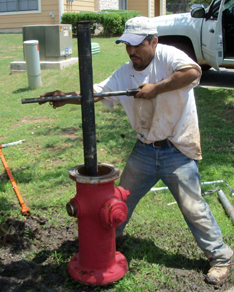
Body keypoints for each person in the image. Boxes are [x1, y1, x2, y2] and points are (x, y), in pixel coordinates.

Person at [40, 16, 233, 285]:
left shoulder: (168, 56)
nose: (131, 51)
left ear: (153, 42)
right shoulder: (124, 72)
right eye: (127, 45)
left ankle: (221, 257)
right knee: (120, 200)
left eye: (137, 45)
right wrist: (65, 98)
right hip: (144, 150)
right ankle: (109, 241)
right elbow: (97, 93)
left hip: (176, 149)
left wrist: (157, 88)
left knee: (193, 208)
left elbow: (193, 73)